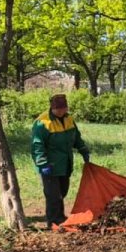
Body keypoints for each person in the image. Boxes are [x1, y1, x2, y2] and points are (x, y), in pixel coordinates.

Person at [31, 94, 90, 230]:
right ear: (53, 108)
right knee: (53, 195)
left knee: (62, 192)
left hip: (65, 164)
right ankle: (53, 222)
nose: (62, 111)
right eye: (59, 109)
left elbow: (76, 137)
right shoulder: (42, 122)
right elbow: (37, 145)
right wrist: (42, 164)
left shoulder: (69, 119)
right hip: (49, 165)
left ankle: (60, 217)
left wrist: (83, 150)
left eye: (64, 108)